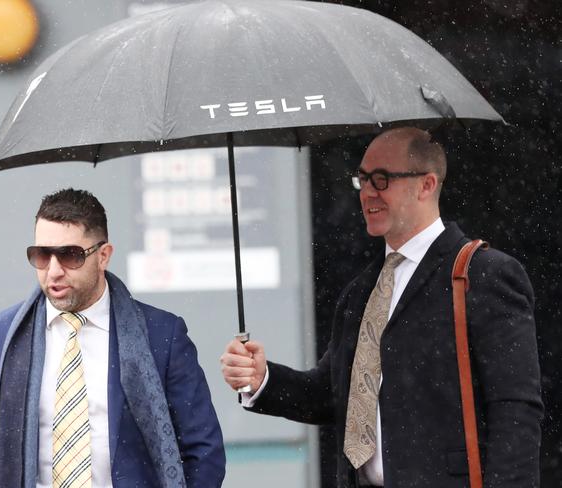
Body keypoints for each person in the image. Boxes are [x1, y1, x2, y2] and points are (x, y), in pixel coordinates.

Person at [220, 127, 543, 488]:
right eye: (363, 179)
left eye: (382, 179)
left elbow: (515, 410)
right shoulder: (360, 292)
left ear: (427, 184)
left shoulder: (484, 275)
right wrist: (261, 378)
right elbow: (332, 395)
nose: (368, 192)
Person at [0, 188, 225, 488]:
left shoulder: (161, 334)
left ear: (103, 256)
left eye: (70, 255)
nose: (53, 271)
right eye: (41, 255)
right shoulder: (0, 335)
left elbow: (203, 451)